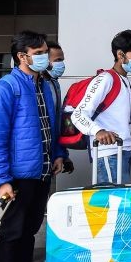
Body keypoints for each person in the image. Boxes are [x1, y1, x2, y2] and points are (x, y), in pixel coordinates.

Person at [0, 31, 66, 262]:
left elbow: (53, 128)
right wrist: (2, 180)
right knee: (12, 232)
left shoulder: (46, 86)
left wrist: (59, 155)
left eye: (45, 51)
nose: (44, 56)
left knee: (30, 229)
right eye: (39, 52)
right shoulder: (5, 88)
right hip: (17, 176)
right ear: (22, 56)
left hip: (41, 171)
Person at [72, 30, 131, 183]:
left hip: (123, 150)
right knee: (111, 203)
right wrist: (98, 131)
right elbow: (78, 114)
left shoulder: (126, 82)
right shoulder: (106, 79)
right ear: (121, 55)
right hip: (108, 152)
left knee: (118, 203)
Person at [43, 41, 74, 175]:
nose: (61, 64)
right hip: (37, 155)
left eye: (62, 60)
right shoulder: (34, 86)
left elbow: (57, 124)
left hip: (52, 155)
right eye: (57, 60)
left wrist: (61, 154)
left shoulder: (54, 84)